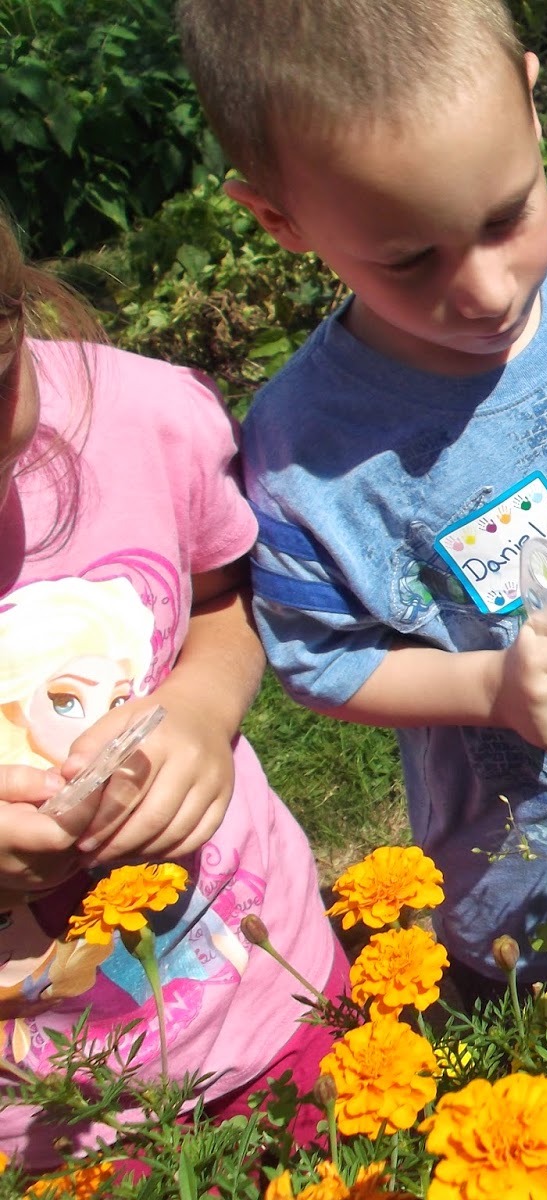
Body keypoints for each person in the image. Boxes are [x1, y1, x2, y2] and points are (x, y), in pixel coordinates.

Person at [174, 0, 547, 996]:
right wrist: (491, 692)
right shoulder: (308, 451)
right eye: (411, 259)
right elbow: (319, 662)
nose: (487, 290)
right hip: (533, 864)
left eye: (506, 217)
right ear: (280, 220)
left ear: (531, 105)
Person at [0, 216, 343, 1169]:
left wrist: (199, 707)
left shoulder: (143, 419)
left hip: (262, 989)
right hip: (48, 1125)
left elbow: (221, 596)